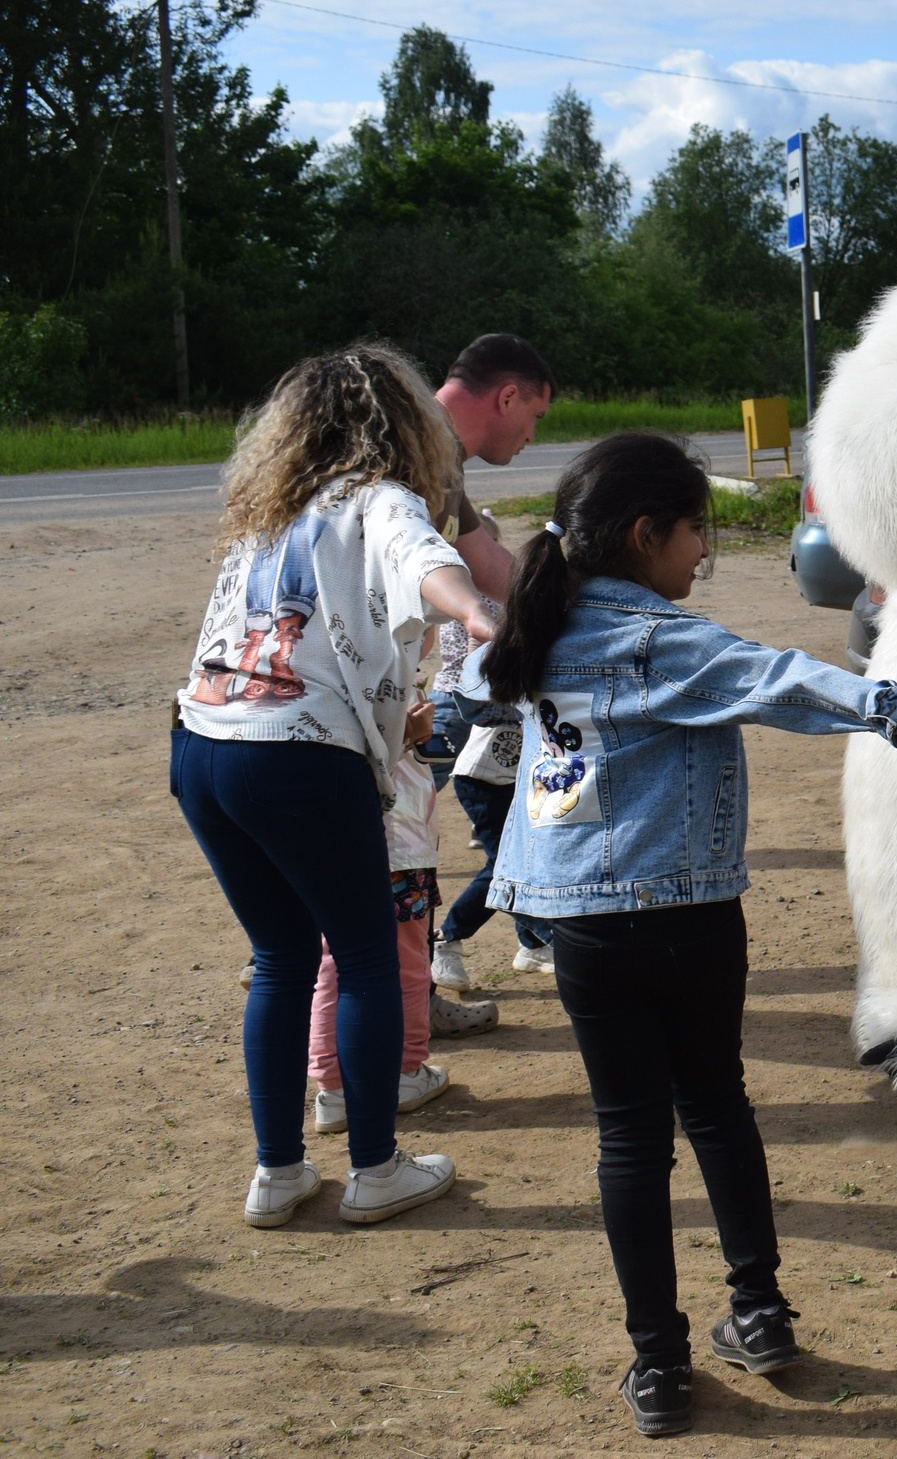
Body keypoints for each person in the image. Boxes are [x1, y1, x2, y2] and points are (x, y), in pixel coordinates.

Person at [469, 431, 897, 1438]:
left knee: (627, 1138)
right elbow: (789, 682)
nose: (701, 556)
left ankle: (657, 1366)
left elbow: (465, 691)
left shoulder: (531, 629)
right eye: (695, 535)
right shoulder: (659, 639)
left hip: (582, 931)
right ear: (646, 534)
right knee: (716, 1107)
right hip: (686, 920)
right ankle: (758, 1311)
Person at [173, 343, 495, 1229]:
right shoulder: (379, 497)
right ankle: (376, 1167)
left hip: (202, 742)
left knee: (278, 956)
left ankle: (277, 1171)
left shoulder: (265, 507)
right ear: (403, 428)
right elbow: (424, 559)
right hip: (299, 753)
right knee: (362, 957)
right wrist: (476, 612)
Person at [425, 334, 558, 981]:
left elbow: (494, 566)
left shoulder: (438, 457)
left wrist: (585, 617)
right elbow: (463, 579)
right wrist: (478, 616)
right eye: (535, 417)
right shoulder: (416, 446)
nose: (532, 436)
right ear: (507, 396)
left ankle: (413, 993)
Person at [310, 700, 453, 1130]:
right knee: (409, 963)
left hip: (328, 837)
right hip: (399, 842)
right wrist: (413, 730)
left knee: (332, 963)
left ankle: (332, 1090)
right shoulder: (384, 659)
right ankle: (407, 1072)